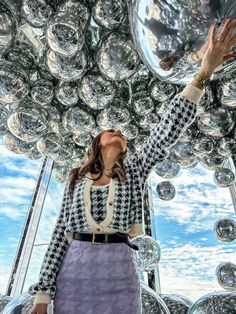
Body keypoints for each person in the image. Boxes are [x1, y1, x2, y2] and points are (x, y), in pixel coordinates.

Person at [29, 19, 236, 314]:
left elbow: (168, 128)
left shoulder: (135, 169)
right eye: (109, 130)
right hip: (74, 273)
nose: (118, 130)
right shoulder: (76, 178)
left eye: (122, 133)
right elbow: (59, 234)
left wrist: (203, 73)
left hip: (119, 271)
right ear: (97, 143)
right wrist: (42, 295)